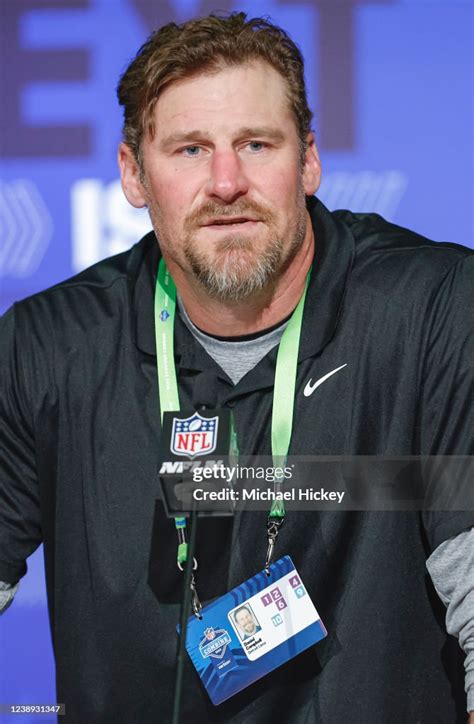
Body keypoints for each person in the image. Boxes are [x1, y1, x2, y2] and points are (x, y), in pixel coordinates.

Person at [0, 11, 473, 724]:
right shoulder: (48, 346)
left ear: (308, 159)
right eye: (190, 149)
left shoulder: (433, 309)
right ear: (133, 173)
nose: (226, 182)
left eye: (256, 144)